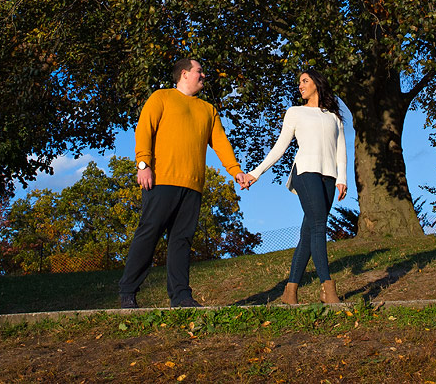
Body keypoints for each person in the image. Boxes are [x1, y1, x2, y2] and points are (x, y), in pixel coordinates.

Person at [118, 57, 250, 309]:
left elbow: (220, 142)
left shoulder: (208, 110)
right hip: (161, 181)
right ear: (184, 74)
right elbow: (144, 129)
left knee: (181, 242)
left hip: (192, 186)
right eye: (199, 71)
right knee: (149, 234)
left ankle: (181, 297)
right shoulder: (161, 97)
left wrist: (235, 170)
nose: (203, 76)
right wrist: (143, 165)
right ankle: (127, 291)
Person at [243, 67, 348, 305]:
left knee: (309, 232)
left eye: (305, 81)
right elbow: (280, 146)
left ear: (317, 84)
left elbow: (341, 150)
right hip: (305, 172)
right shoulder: (295, 112)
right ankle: (328, 288)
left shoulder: (334, 118)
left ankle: (290, 292)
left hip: (329, 176)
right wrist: (255, 173)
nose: (300, 85)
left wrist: (343, 178)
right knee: (320, 225)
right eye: (299, 82)